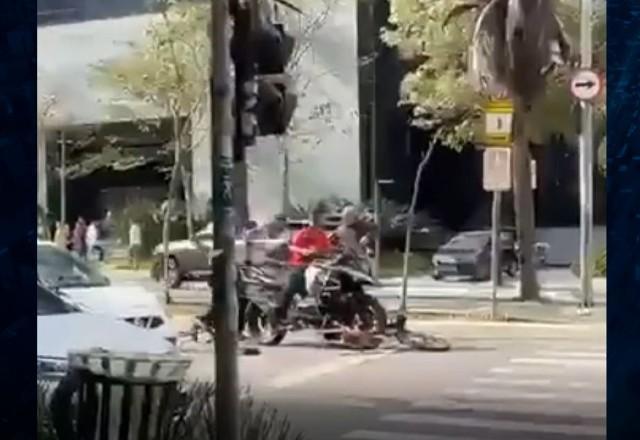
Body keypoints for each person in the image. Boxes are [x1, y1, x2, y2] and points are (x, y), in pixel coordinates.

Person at [277, 204, 334, 322]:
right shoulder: (302, 233)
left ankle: (327, 314)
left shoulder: (322, 235)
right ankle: (281, 316)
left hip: (318, 266)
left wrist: (328, 255)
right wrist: (304, 251)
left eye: (319, 218)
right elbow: (293, 247)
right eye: (314, 218)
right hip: (300, 265)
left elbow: (327, 251)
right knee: (293, 285)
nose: (316, 220)